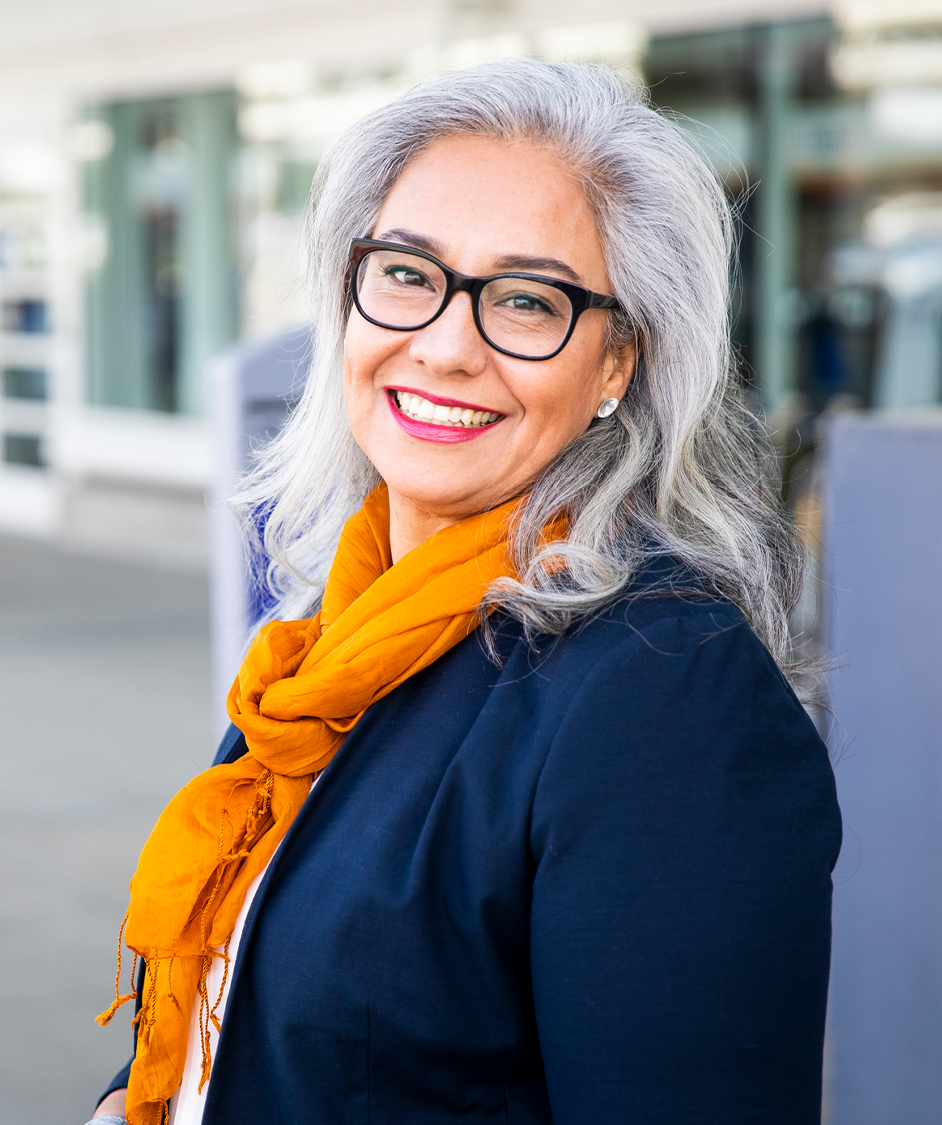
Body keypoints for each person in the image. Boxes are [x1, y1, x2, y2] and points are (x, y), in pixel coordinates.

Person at [89, 58, 841, 1125]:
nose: (443, 346)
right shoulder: (333, 641)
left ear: (617, 363)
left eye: (528, 301)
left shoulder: (666, 696)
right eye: (405, 273)